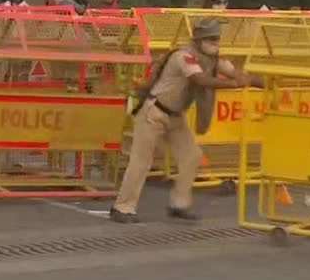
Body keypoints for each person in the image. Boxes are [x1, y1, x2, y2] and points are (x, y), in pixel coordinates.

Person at [110, 18, 262, 223]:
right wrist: (234, 84)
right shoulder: (184, 56)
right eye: (210, 38)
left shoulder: (213, 58)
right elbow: (200, 80)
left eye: (216, 38)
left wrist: (266, 83)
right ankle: (122, 208)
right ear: (199, 39)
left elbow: (240, 74)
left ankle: (179, 204)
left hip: (175, 116)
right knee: (140, 161)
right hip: (154, 112)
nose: (214, 42)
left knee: (192, 156)